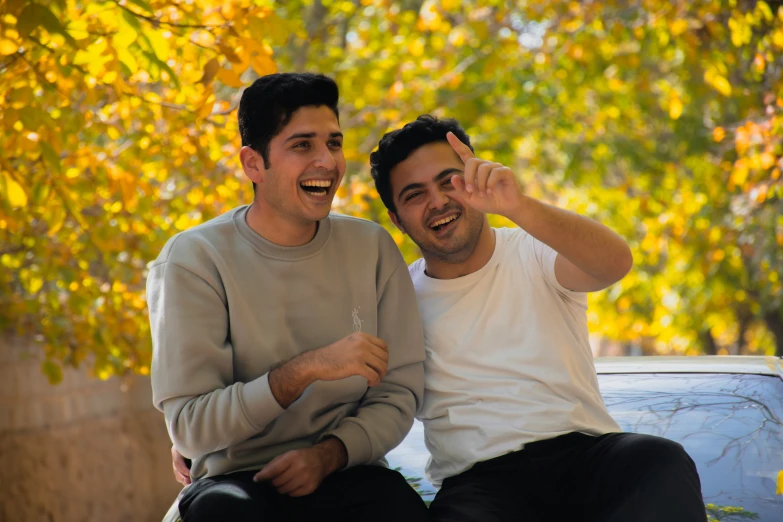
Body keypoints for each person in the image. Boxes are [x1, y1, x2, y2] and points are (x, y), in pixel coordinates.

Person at [367, 115, 707, 522]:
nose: (438, 201)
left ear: (474, 178)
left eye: (449, 181)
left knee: (660, 459)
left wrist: (517, 205)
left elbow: (616, 263)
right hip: (480, 486)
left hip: (586, 457)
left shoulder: (535, 249)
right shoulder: (396, 299)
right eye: (414, 194)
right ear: (396, 218)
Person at [147, 73, 429, 522]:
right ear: (253, 164)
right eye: (302, 145)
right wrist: (305, 370)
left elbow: (398, 392)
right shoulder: (193, 260)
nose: (326, 161)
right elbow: (191, 427)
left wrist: (329, 455)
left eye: (333, 143)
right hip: (234, 482)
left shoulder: (371, 248)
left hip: (349, 472)